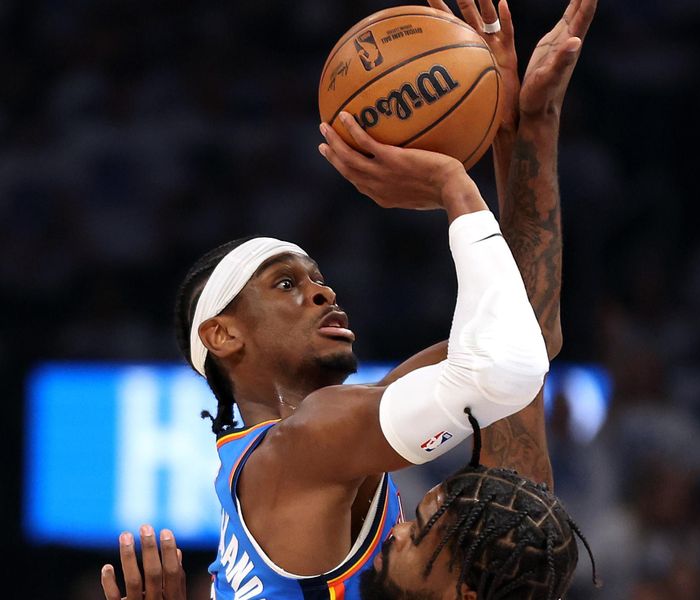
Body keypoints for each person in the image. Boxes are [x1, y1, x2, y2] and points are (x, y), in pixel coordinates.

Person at [101, 0, 598, 598]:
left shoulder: (321, 456)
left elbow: (524, 340)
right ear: (222, 334)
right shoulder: (297, 448)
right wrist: (453, 185)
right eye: (286, 283)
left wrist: (521, 133)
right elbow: (507, 365)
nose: (322, 292)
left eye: (317, 278)